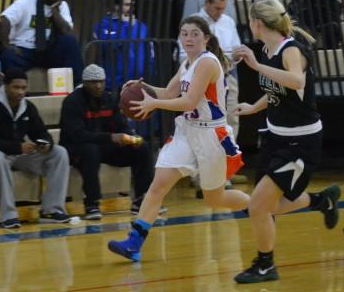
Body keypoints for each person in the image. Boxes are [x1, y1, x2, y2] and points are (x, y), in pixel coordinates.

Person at [107, 16, 250, 262]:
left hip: (210, 135)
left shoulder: (207, 63)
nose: (189, 38)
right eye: (184, 33)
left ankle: (258, 208)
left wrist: (154, 103)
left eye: (195, 33)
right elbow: (168, 93)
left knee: (214, 198)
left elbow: (188, 102)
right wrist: (144, 89)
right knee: (158, 184)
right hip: (188, 131)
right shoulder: (187, 64)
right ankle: (134, 243)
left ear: (206, 38)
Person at [229, 0, 341, 283]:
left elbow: (296, 81)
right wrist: (254, 107)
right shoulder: (269, 49)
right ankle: (320, 201)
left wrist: (255, 66)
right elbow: (279, 89)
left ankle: (266, 265)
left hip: (300, 144)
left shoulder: (292, 49)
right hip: (275, 139)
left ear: (256, 23)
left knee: (257, 207)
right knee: (266, 206)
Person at [0, 68, 72, 229]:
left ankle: (51, 210)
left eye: (23, 88)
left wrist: (45, 143)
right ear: (5, 87)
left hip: (18, 154)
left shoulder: (28, 107)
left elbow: (41, 131)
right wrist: (18, 147)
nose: (20, 92)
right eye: (16, 87)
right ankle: (8, 215)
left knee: (59, 152)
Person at [60, 63, 152, 220]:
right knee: (91, 151)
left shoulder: (109, 99)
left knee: (142, 147)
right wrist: (110, 137)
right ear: (84, 83)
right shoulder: (72, 102)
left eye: (101, 82)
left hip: (105, 147)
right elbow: (78, 135)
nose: (98, 86)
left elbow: (121, 125)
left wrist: (130, 137)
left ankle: (141, 199)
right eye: (93, 82)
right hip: (76, 149)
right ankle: (92, 204)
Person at [0, 0, 84, 85]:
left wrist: (54, 10)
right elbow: (5, 20)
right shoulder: (26, 1)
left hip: (49, 50)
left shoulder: (62, 6)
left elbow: (66, 31)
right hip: (25, 49)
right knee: (8, 56)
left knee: (70, 42)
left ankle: (77, 85)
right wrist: (6, 44)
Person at [193, 0, 242, 136]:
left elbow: (236, 47)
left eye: (223, 8)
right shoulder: (194, 22)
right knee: (205, 119)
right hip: (203, 79)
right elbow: (183, 54)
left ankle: (232, 154)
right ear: (206, 3)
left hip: (228, 75)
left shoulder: (228, 21)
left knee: (232, 117)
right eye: (217, 8)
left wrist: (237, 54)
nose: (220, 12)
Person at [91, 0, 149, 90]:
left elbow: (149, 53)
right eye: (126, 5)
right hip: (114, 84)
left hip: (138, 82)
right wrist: (125, 25)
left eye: (132, 5)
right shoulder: (104, 25)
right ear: (116, 6)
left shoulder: (141, 26)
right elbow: (110, 46)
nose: (131, 8)